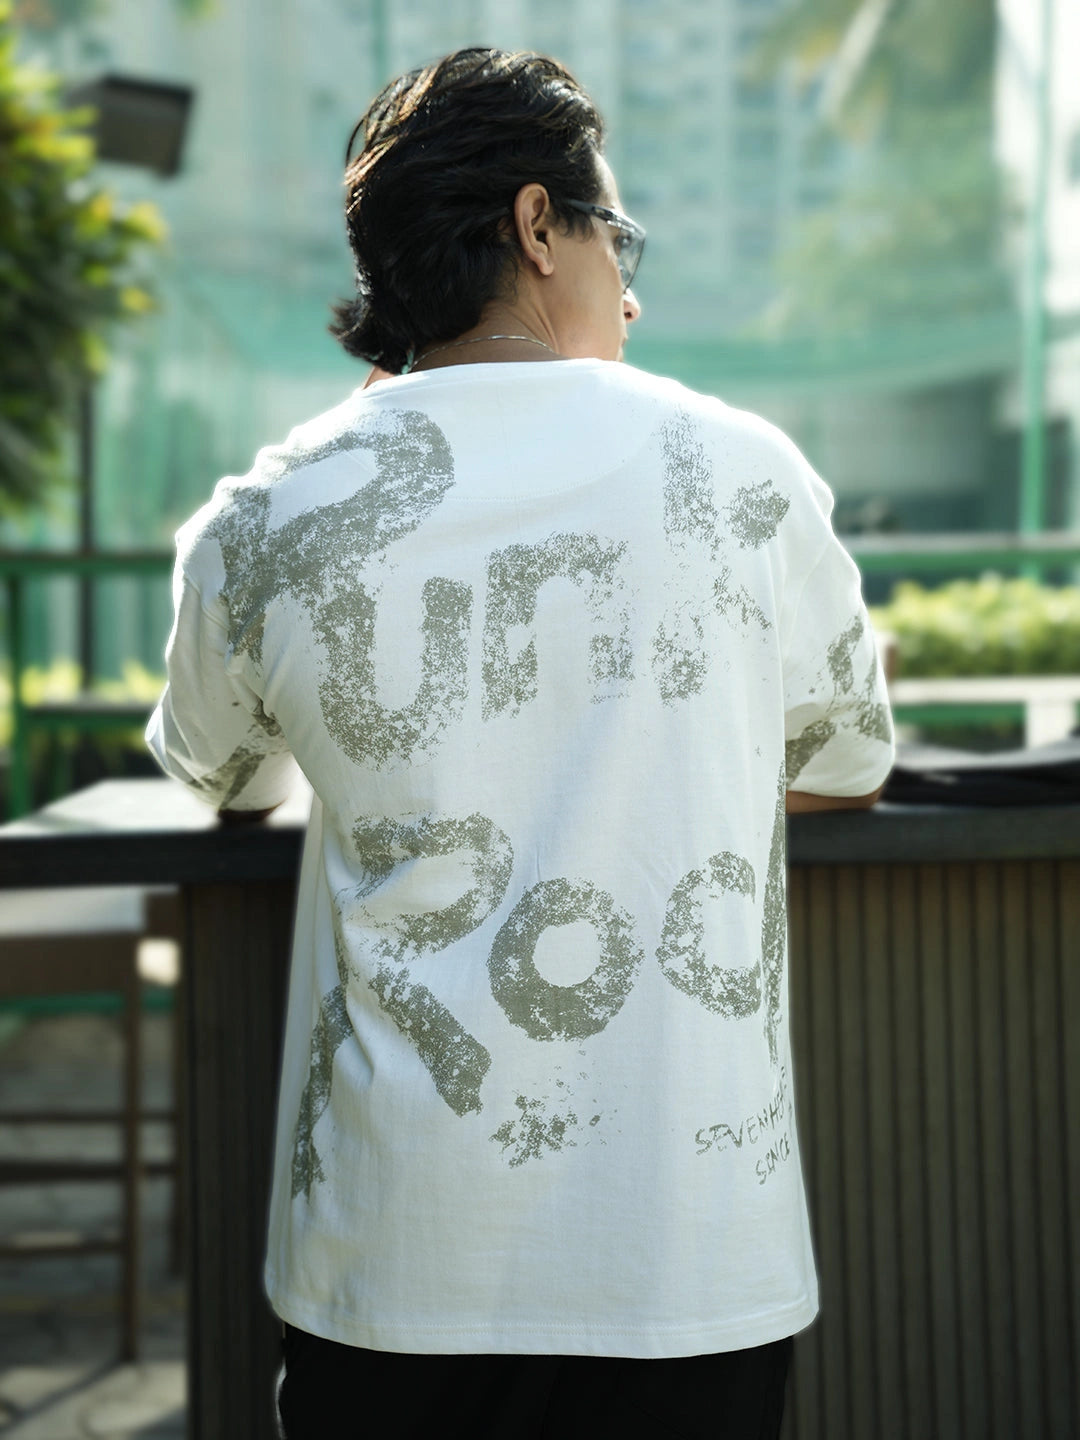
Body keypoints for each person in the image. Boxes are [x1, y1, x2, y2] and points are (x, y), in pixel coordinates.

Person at [146, 47, 894, 1440]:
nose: (633, 288)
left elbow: (227, 775)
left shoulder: (267, 517)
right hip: (685, 1253)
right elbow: (846, 762)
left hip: (394, 1258)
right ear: (541, 224)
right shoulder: (740, 474)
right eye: (621, 238)